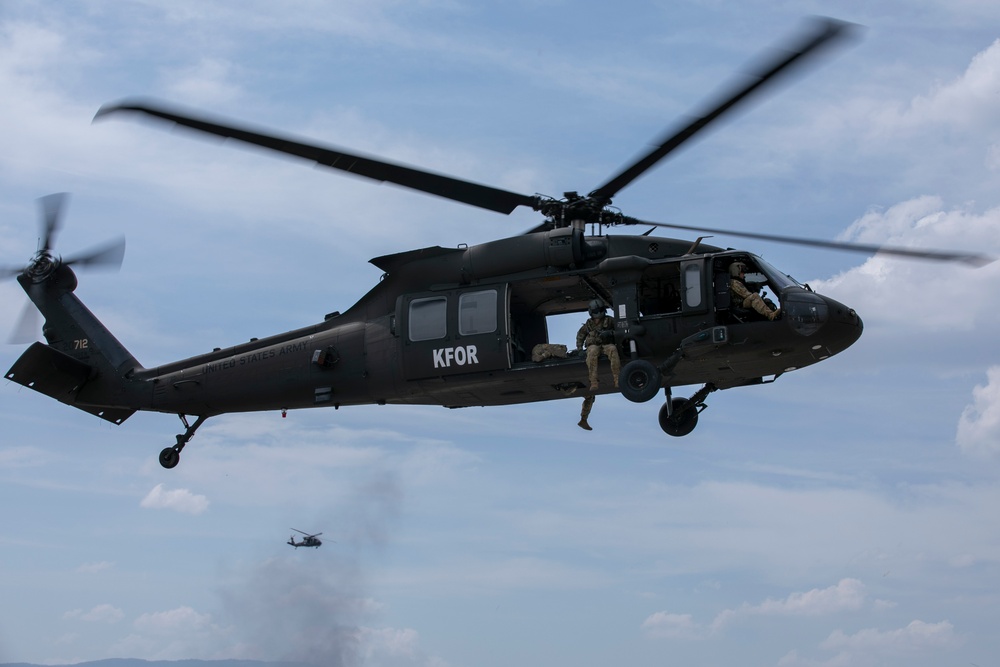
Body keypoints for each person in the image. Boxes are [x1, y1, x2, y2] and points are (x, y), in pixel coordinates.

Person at [575, 299, 621, 430]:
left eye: (600, 311)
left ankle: (617, 379)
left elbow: (620, 329)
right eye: (596, 311)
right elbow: (580, 336)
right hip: (593, 347)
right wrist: (579, 350)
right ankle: (594, 381)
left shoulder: (610, 321)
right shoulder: (588, 325)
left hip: (606, 345)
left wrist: (611, 333)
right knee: (592, 352)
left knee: (612, 349)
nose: (599, 314)